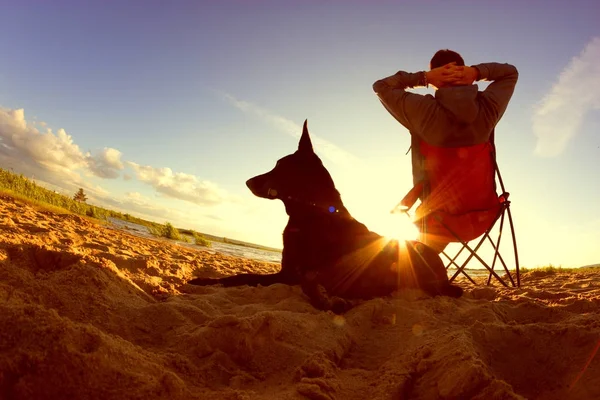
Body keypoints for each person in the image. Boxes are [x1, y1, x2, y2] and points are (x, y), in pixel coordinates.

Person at [372, 49, 518, 252]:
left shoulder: (422, 110)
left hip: (437, 221)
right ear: (464, 70)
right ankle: (428, 258)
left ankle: (424, 262)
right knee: (439, 222)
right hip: (484, 216)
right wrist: (476, 72)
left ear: (435, 80)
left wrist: (424, 78)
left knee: (415, 242)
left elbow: (381, 86)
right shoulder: (488, 108)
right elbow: (510, 73)